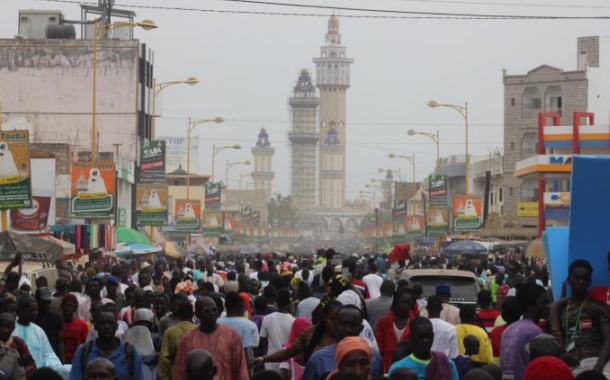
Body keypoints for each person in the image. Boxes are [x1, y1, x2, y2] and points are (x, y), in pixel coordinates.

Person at [551, 259, 610, 376]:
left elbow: (609, 339)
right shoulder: (561, 309)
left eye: (584, 278)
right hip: (569, 363)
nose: (580, 281)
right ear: (569, 280)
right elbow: (555, 339)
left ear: (589, 281)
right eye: (577, 278)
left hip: (595, 361)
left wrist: (598, 369)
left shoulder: (598, 306)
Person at [172, 297, 248, 380]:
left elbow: (241, 369)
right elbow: (180, 372)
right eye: (207, 311)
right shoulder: (187, 339)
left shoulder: (232, 335)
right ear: (197, 314)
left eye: (214, 310)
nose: (212, 313)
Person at [303, 305, 383, 380]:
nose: (348, 329)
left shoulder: (374, 356)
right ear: (334, 325)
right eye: (344, 324)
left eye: (353, 325)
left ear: (361, 328)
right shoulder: (318, 359)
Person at [69, 311, 144, 380]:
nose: (107, 326)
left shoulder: (130, 352)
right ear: (95, 326)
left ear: (116, 326)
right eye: (102, 323)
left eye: (111, 323)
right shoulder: (83, 351)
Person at [500, 282, 549, 380]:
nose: (548, 306)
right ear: (530, 306)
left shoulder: (508, 330)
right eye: (544, 302)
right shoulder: (534, 331)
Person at [388, 317, 459, 380]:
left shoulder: (447, 364)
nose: (426, 340)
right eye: (421, 337)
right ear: (410, 338)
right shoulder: (398, 368)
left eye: (429, 336)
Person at [11, 294, 64, 372]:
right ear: (22, 310)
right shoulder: (10, 329)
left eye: (36, 310)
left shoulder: (38, 331)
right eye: (32, 310)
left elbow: (48, 354)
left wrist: (58, 368)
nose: (35, 312)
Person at [375, 286, 419, 373]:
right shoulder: (384, 322)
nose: (405, 306)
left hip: (408, 371)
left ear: (412, 305)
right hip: (387, 369)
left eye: (408, 303)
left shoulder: (415, 325)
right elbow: (378, 349)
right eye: (402, 302)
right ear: (396, 303)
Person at [159, 299, 197, 380]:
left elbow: (164, 359)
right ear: (192, 314)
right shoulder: (199, 331)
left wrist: (166, 377)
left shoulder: (170, 332)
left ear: (179, 314)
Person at [218, 292, 260, 362]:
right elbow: (250, 350)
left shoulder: (216, 323)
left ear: (225, 305)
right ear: (241, 306)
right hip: (240, 365)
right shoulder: (248, 325)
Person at [260, 288, 295, 371]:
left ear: (276, 301)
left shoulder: (267, 318)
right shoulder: (293, 321)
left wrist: (262, 359)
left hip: (270, 362)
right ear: (289, 303)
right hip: (286, 364)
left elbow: (262, 341)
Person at [34, 287, 64, 363]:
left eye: (49, 301)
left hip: (52, 357)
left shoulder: (56, 318)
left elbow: (60, 342)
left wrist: (62, 361)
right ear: (38, 301)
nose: (48, 304)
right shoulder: (32, 319)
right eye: (45, 301)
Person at [426, 295, 458, 359]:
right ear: (441, 308)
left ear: (427, 308)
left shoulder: (420, 326)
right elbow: (453, 356)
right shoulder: (450, 328)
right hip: (443, 366)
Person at [61, 294, 89, 364]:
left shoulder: (82, 325)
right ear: (62, 306)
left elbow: (85, 345)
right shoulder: (56, 323)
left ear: (75, 308)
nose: (69, 308)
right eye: (67, 305)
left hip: (77, 361)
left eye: (72, 306)